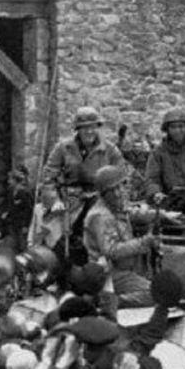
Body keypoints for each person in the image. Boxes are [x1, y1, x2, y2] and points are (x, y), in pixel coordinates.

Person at [41, 107, 125, 264]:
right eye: (85, 128)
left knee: (104, 228)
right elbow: (48, 177)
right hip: (70, 198)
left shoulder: (110, 150)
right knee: (54, 231)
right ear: (78, 129)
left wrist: (116, 199)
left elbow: (121, 175)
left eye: (93, 127)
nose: (89, 132)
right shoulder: (63, 148)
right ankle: (57, 264)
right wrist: (54, 200)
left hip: (100, 197)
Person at [84, 165, 158, 309]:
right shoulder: (100, 216)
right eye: (112, 191)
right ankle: (111, 302)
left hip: (125, 269)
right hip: (109, 273)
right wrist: (144, 242)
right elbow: (111, 250)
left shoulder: (114, 207)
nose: (118, 194)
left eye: (120, 187)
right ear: (103, 194)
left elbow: (130, 213)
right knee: (156, 294)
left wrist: (158, 215)